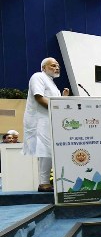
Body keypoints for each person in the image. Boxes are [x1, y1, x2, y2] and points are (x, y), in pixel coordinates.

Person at [23, 57, 71, 192]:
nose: (56, 68)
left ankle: (46, 183)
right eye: (53, 65)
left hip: (49, 120)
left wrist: (63, 97)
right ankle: (44, 184)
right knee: (45, 150)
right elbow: (39, 97)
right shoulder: (38, 76)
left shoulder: (52, 83)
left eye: (58, 66)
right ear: (43, 68)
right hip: (39, 120)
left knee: (50, 150)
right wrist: (57, 107)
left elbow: (55, 103)